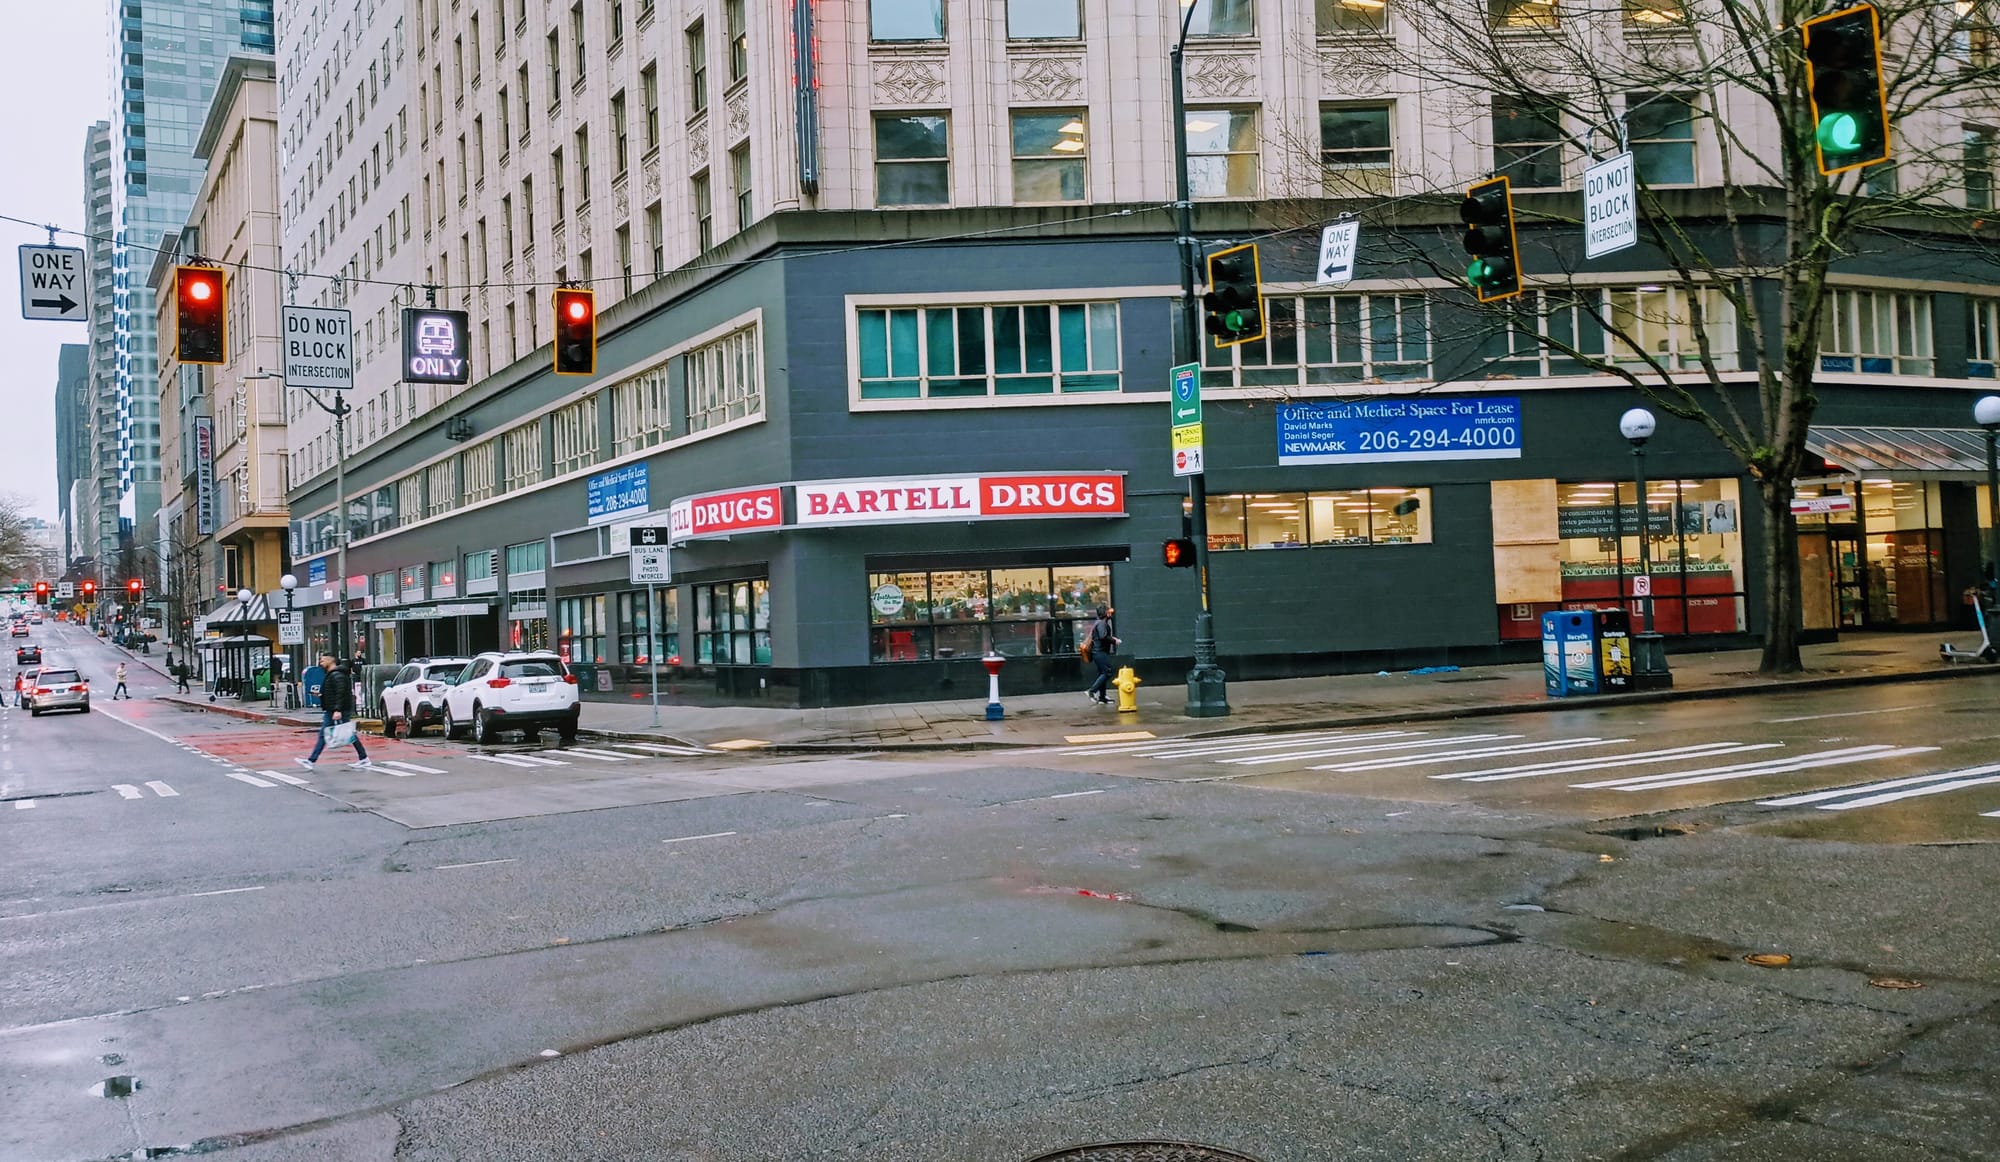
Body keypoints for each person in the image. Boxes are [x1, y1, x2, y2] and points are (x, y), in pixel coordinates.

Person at [299, 652, 371, 770]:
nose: (320, 663)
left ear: (330, 660)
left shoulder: (337, 674)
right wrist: (322, 695)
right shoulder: (333, 674)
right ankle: (311, 760)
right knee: (329, 734)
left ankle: (363, 758)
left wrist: (337, 710)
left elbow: (341, 693)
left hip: (337, 710)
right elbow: (335, 692)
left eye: (322, 660)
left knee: (346, 733)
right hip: (332, 709)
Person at [1083, 604, 1119, 705]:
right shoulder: (1101, 624)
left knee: (1102, 673)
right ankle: (1092, 691)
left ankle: (1102, 697)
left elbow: (1102, 636)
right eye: (1108, 611)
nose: (1110, 613)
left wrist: (1112, 639)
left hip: (1098, 652)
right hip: (1100, 652)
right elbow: (1103, 636)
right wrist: (1114, 641)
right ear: (1105, 613)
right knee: (1108, 672)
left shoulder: (1099, 623)